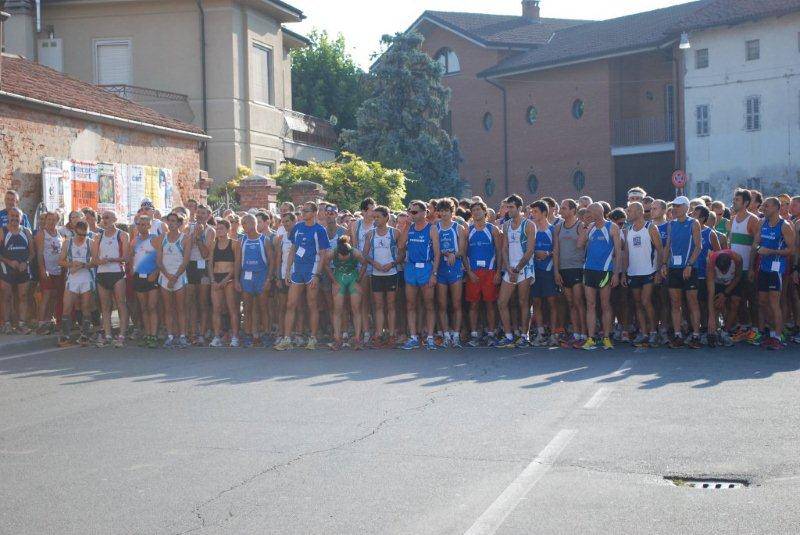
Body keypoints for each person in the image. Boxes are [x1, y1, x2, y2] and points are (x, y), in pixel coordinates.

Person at [275, 201, 331, 351]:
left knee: (312, 304)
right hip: (297, 271)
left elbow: (323, 253)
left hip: (311, 271)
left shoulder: (320, 230)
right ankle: (287, 338)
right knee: (290, 304)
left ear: (313, 213)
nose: (303, 214)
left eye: (306, 211)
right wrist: (287, 271)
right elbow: (293, 249)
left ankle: (312, 338)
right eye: (302, 211)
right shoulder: (298, 227)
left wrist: (317, 275)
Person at [578, 203, 622, 350]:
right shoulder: (589, 227)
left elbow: (619, 251)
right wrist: (585, 227)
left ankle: (606, 337)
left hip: (605, 270)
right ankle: (591, 338)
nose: (587, 214)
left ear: (598, 212)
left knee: (605, 305)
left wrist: (616, 274)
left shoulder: (612, 227)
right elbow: (579, 244)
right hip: (589, 270)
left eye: (590, 211)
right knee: (590, 305)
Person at [753, 197, 796, 349]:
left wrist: (771, 251)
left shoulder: (784, 226)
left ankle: (778, 337)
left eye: (767, 206)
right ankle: (771, 334)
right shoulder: (762, 223)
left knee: (774, 303)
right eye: (763, 205)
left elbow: (791, 250)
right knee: (762, 302)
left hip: (776, 269)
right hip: (763, 267)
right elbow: (756, 243)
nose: (764, 208)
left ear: (777, 208)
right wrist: (759, 250)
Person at [398, 200, 441, 350]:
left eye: (415, 212)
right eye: (410, 211)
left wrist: (434, 274)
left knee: (428, 304)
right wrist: (407, 225)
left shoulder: (432, 229)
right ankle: (414, 337)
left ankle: (429, 336)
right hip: (411, 268)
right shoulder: (409, 228)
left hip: (426, 268)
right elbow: (401, 246)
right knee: (410, 304)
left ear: (424, 213)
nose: (411, 214)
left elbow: (437, 254)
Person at [662, 196, 703, 349]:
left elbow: (699, 247)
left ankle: (696, 335)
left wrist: (689, 265)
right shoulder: (670, 224)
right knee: (675, 302)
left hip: (689, 268)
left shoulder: (694, 223)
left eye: (678, 206)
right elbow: (667, 246)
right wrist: (664, 264)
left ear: (686, 208)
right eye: (674, 206)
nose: (675, 209)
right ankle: (678, 335)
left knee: (692, 302)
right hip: (674, 268)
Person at [496, 195, 537, 348]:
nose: (508, 210)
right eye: (507, 207)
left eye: (511, 207)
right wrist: (508, 267)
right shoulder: (506, 225)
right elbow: (504, 248)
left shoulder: (529, 225)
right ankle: (508, 336)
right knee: (502, 302)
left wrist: (518, 268)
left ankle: (524, 336)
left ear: (519, 208)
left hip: (524, 268)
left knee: (523, 302)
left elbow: (530, 250)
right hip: (510, 268)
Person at [622, 202, 663, 347]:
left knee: (646, 301)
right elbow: (626, 253)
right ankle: (644, 332)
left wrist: (659, 270)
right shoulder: (627, 230)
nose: (628, 213)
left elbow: (660, 249)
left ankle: (653, 332)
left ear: (639, 212)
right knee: (638, 303)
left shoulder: (650, 227)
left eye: (630, 210)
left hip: (649, 271)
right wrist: (624, 273)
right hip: (633, 272)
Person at [464, 200, 502, 347]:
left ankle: (491, 334)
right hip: (473, 273)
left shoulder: (493, 229)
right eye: (473, 211)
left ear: (485, 212)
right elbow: (463, 253)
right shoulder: (468, 230)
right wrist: (469, 272)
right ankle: (474, 334)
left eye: (479, 210)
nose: (476, 212)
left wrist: (498, 272)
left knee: (490, 304)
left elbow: (499, 251)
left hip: (490, 272)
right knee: (473, 305)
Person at [362, 206, 401, 347]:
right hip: (376, 273)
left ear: (386, 217)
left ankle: (391, 334)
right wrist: (374, 263)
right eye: (374, 217)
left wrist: (392, 263)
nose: (375, 220)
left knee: (391, 305)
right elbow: (364, 254)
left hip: (391, 273)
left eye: (378, 217)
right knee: (378, 305)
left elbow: (402, 253)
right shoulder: (370, 234)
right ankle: (378, 334)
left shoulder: (395, 233)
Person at [92, 210, 130, 348]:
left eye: (107, 217)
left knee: (121, 303)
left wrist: (113, 259)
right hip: (102, 273)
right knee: (105, 306)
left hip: (117, 273)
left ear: (114, 219)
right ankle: (107, 334)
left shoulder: (122, 235)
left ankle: (122, 334)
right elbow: (94, 259)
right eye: (103, 218)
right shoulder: (98, 237)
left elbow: (126, 257)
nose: (105, 220)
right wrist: (99, 261)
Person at [554, 199, 587, 349]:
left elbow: (582, 245)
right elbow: (556, 251)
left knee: (579, 302)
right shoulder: (558, 227)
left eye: (565, 208)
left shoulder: (580, 226)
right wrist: (556, 271)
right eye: (561, 208)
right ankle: (576, 334)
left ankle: (585, 334)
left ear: (573, 210)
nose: (561, 210)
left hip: (577, 268)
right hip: (564, 269)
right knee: (571, 303)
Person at [727, 189, 760, 341]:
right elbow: (730, 244)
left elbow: (755, 245)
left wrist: (752, 267)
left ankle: (756, 330)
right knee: (737, 300)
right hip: (735, 270)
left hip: (748, 268)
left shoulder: (753, 220)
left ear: (746, 203)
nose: (734, 202)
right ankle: (744, 327)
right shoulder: (732, 219)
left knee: (752, 299)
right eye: (734, 199)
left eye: (737, 200)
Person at [155, 212, 191, 348]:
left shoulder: (185, 238)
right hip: (165, 277)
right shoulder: (162, 238)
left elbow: (186, 261)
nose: (171, 223)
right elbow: (159, 260)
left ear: (179, 223)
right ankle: (170, 336)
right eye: (169, 221)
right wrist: (168, 276)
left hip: (179, 277)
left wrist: (175, 277)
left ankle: (182, 336)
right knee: (168, 308)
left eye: (174, 221)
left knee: (181, 308)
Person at [236, 214, 272, 348]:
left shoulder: (265, 240)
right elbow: (238, 262)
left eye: (245, 223)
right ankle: (248, 334)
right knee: (247, 307)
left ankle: (266, 334)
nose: (243, 226)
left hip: (261, 276)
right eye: (242, 223)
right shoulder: (241, 240)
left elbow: (271, 261)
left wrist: (268, 279)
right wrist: (236, 280)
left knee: (263, 307)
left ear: (253, 223)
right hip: (246, 276)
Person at [434, 198, 466, 348]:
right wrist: (444, 253)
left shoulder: (458, 228)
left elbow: (462, 250)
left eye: (447, 210)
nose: (444, 213)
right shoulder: (435, 227)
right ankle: (446, 334)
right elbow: (434, 249)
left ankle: (456, 335)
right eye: (441, 210)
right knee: (441, 304)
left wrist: (454, 254)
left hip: (455, 268)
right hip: (440, 269)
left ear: (451, 212)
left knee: (456, 303)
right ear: (438, 212)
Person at [57, 220, 95, 347]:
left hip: (86, 279)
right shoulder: (68, 243)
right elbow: (60, 261)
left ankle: (85, 335)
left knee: (85, 307)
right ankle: (65, 335)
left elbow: (95, 262)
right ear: (75, 232)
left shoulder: (91, 243)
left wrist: (83, 265)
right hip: (72, 279)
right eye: (80, 235)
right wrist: (71, 264)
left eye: (85, 235)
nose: (82, 237)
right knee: (67, 306)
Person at [327, 235, 367, 350]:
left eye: (346, 256)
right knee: (338, 309)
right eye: (341, 256)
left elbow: (364, 264)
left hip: (352, 276)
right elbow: (325, 264)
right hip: (339, 276)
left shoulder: (355, 253)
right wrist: (334, 281)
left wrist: (359, 279)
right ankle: (337, 339)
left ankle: (357, 339)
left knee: (356, 308)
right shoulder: (332, 253)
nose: (344, 258)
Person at [529, 200, 560, 347]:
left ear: (544, 213)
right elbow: (527, 249)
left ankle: (554, 334)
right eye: (532, 211)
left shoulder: (553, 229)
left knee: (552, 303)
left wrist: (547, 253)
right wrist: (535, 253)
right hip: (534, 271)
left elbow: (557, 251)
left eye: (535, 211)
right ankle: (541, 333)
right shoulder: (530, 228)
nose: (532, 214)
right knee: (536, 302)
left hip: (548, 271)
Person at [0, 207, 34, 333]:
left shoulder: (26, 231)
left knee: (23, 296)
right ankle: (7, 324)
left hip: (23, 269)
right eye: (12, 215)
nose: (14, 218)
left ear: (21, 218)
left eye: (17, 216)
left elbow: (32, 252)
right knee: (6, 297)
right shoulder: (2, 231)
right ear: (8, 217)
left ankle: (22, 324)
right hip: (6, 269)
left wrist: (27, 262)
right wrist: (9, 262)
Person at [209, 218, 241, 348]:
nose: (218, 230)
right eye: (217, 228)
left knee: (232, 308)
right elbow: (210, 263)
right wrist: (212, 280)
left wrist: (226, 279)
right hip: (216, 278)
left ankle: (235, 336)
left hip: (229, 279)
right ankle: (217, 336)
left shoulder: (234, 244)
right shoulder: (213, 244)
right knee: (216, 309)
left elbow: (237, 264)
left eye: (221, 228)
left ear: (228, 230)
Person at [185, 204, 215, 345]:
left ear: (208, 215)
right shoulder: (188, 228)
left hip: (202, 267)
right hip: (190, 266)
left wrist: (198, 238)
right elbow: (185, 248)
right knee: (190, 302)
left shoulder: (210, 231)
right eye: (198, 213)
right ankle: (192, 333)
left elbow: (205, 253)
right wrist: (193, 236)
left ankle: (202, 333)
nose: (200, 215)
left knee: (203, 302)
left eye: (203, 213)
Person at [130, 215, 160, 348]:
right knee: (143, 307)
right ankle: (147, 334)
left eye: (144, 224)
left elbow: (161, 258)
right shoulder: (134, 241)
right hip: (138, 277)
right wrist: (132, 269)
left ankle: (154, 335)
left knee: (152, 306)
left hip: (152, 277)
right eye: (139, 224)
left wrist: (156, 272)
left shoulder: (154, 239)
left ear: (149, 225)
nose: (141, 227)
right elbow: (130, 256)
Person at [705, 249, 743, 347]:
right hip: (718, 283)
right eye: (721, 270)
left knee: (735, 302)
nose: (724, 272)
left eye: (725, 270)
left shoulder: (737, 258)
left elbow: (738, 277)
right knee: (716, 303)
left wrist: (725, 294)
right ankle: (714, 330)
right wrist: (711, 318)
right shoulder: (711, 262)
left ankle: (725, 331)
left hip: (733, 281)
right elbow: (710, 292)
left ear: (731, 262)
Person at [35, 212, 64, 334]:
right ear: (45, 220)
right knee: (46, 296)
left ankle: (49, 320)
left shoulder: (59, 234)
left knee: (54, 296)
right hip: (47, 270)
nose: (51, 221)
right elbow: (40, 254)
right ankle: (41, 324)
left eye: (54, 219)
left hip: (58, 270)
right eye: (49, 219)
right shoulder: (42, 234)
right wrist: (43, 270)